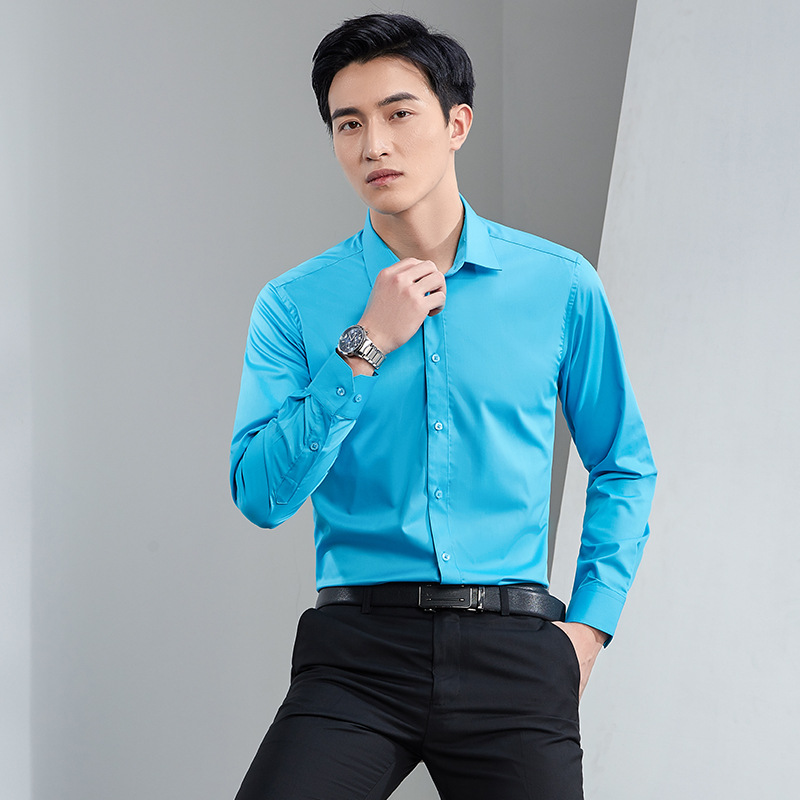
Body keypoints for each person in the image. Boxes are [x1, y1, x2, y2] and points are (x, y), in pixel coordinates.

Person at [230, 12, 656, 800]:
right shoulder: (293, 304)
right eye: (348, 124)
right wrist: (363, 345)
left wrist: (590, 629)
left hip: (515, 653)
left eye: (398, 114)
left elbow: (623, 464)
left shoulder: (560, 285)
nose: (374, 145)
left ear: (457, 124)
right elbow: (261, 495)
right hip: (356, 657)